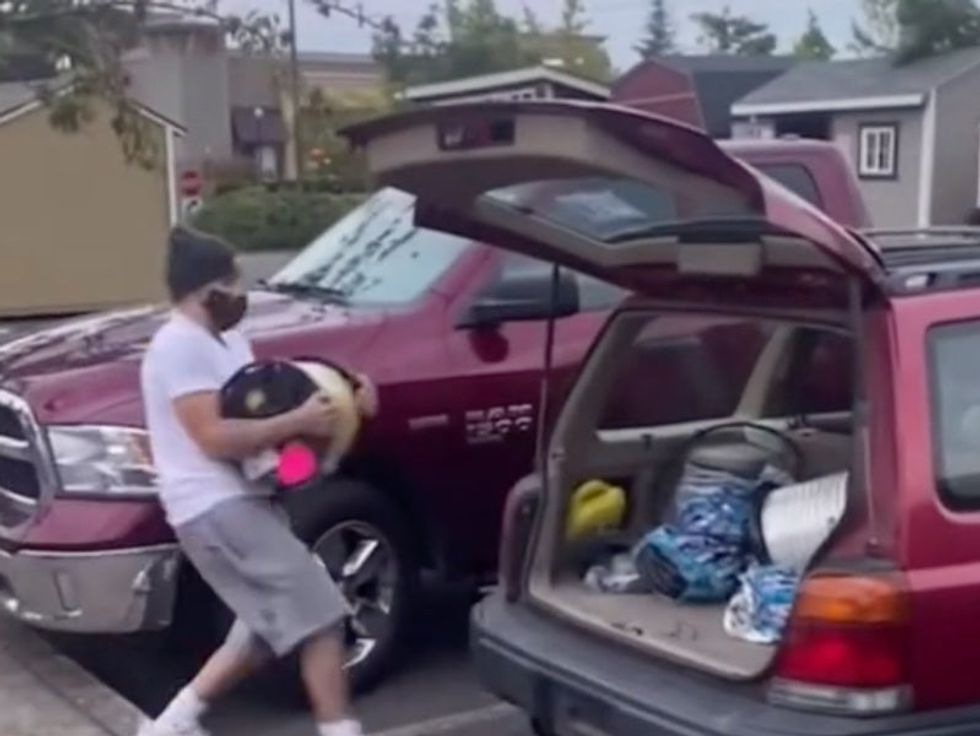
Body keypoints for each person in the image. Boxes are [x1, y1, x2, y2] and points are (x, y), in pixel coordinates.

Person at [138, 226, 376, 736]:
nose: (243, 294)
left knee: (270, 628)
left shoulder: (228, 342)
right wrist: (300, 424)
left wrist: (348, 400)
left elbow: (267, 440)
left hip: (245, 501)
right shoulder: (177, 346)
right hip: (214, 508)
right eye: (235, 283)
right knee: (323, 618)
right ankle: (339, 730)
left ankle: (171, 725)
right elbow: (213, 437)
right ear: (208, 290)